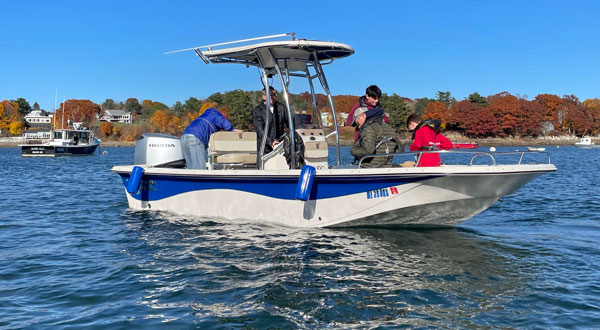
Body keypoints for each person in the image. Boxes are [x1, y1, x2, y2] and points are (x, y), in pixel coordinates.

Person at [252, 86, 289, 168]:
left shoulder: (282, 108)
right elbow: (259, 130)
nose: (274, 97)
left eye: (274, 94)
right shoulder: (257, 111)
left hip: (280, 147)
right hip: (264, 148)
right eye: (271, 95)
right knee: (263, 170)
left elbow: (289, 124)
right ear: (264, 96)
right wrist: (270, 141)